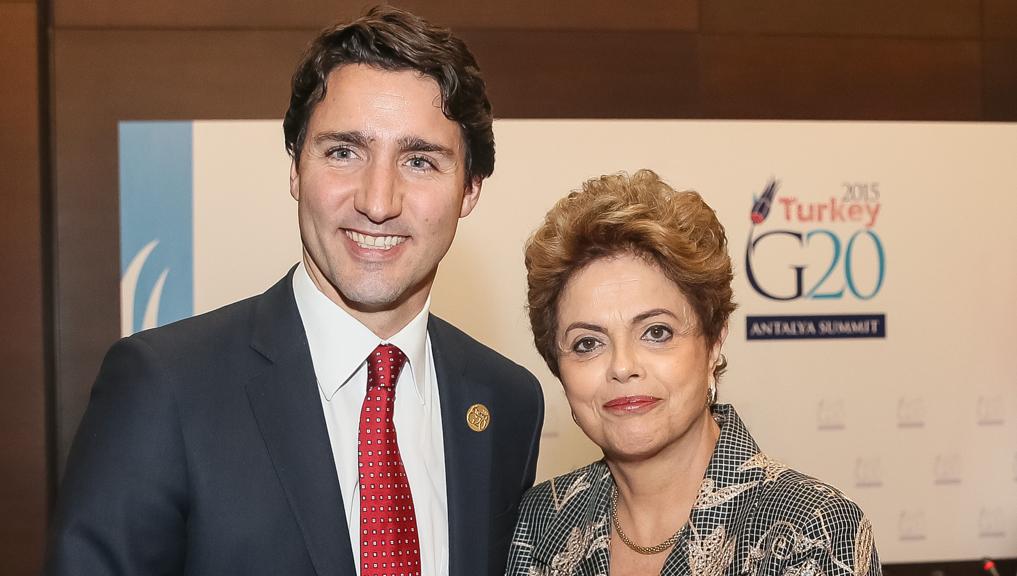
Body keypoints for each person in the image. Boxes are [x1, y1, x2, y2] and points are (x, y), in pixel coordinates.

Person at [45, 6, 543, 576]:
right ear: (295, 169)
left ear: (470, 189)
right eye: (343, 152)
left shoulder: (506, 402)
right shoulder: (164, 388)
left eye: (420, 161)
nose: (378, 202)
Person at [507, 170, 879, 576]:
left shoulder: (812, 530)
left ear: (713, 342)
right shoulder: (541, 523)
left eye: (656, 332)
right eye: (587, 343)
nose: (622, 366)